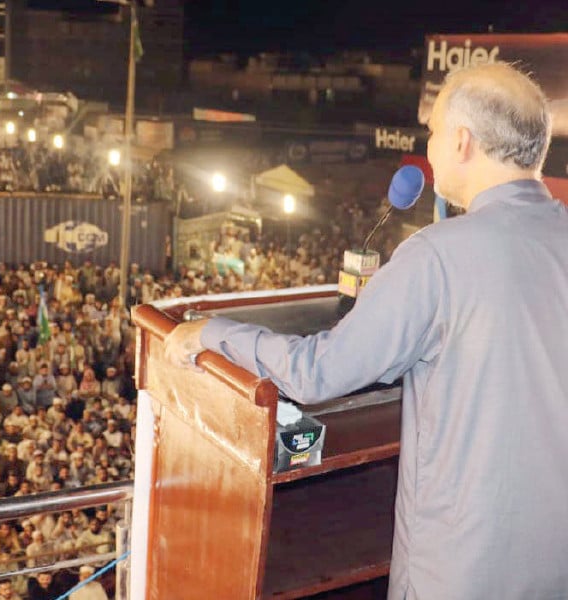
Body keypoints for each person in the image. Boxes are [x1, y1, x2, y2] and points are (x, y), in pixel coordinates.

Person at [165, 62, 568, 599]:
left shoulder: (436, 258)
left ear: (463, 142)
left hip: (460, 573)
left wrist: (212, 334)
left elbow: (318, 372)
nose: (427, 149)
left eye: (433, 133)